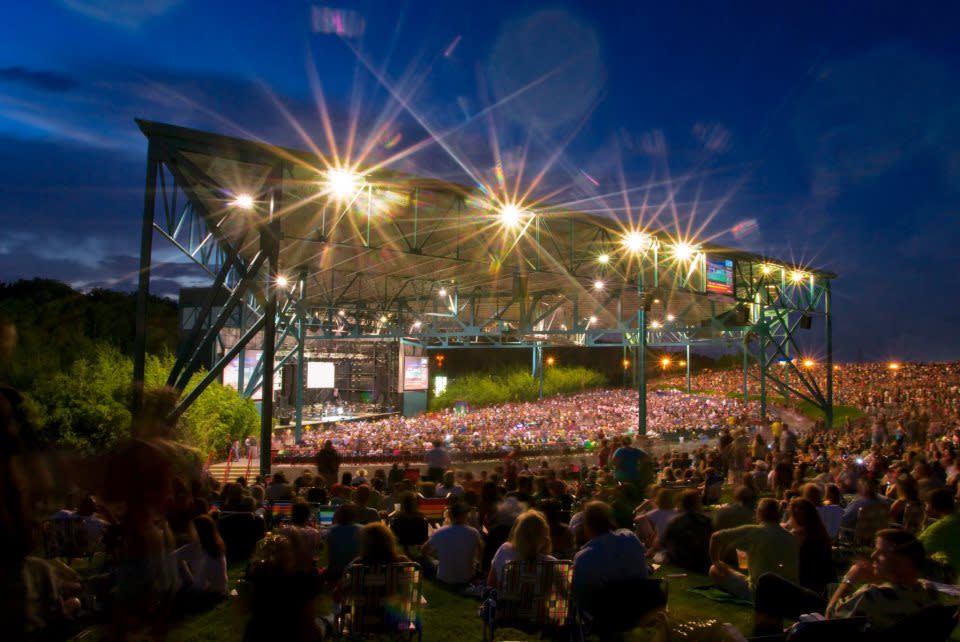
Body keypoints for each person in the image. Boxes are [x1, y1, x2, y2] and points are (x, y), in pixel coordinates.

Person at [825, 529, 940, 632]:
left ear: (902, 562)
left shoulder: (871, 596)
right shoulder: (929, 591)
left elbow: (830, 618)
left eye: (882, 553)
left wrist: (849, 580)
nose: (873, 556)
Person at [709, 498, 798, 602]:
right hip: (789, 594)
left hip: (759, 594)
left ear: (760, 513)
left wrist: (716, 561)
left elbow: (715, 537)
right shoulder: (791, 537)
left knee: (714, 569)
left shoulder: (754, 532)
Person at [572, 501, 648, 616]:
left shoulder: (584, 557)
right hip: (639, 608)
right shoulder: (630, 538)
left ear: (586, 526)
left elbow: (580, 596)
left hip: (604, 615)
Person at [486, 510, 556, 587]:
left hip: (507, 598)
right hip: (539, 599)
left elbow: (491, 583)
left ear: (517, 534)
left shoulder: (505, 550)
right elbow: (564, 593)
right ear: (544, 538)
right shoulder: (552, 564)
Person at [422, 501, 483, 585]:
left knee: (425, 560)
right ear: (466, 515)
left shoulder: (440, 532)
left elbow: (423, 550)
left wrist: (437, 553)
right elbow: (481, 553)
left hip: (444, 578)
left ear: (450, 515)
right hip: (467, 577)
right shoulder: (474, 532)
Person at [175, 515, 228, 608]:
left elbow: (200, 585)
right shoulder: (211, 546)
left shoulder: (207, 553)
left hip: (210, 594)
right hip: (218, 591)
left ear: (198, 531)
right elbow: (172, 557)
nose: (188, 533)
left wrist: (189, 583)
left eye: (191, 530)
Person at [660, 489, 714, 573]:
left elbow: (664, 542)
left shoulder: (675, 521)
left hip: (680, 561)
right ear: (697, 503)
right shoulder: (706, 520)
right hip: (703, 561)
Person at [918, 487, 960, 577]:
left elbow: (918, 551)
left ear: (931, 505)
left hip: (953, 573)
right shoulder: (955, 518)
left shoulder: (941, 527)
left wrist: (924, 520)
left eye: (926, 504)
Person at [278, 501, 322, 572]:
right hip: (308, 574)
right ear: (308, 516)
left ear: (292, 515)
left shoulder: (284, 531)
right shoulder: (315, 533)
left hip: (288, 574)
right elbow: (317, 556)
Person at [325, 503, 361, 581]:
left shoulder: (331, 530)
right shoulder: (362, 530)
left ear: (338, 515)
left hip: (335, 573)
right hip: (355, 572)